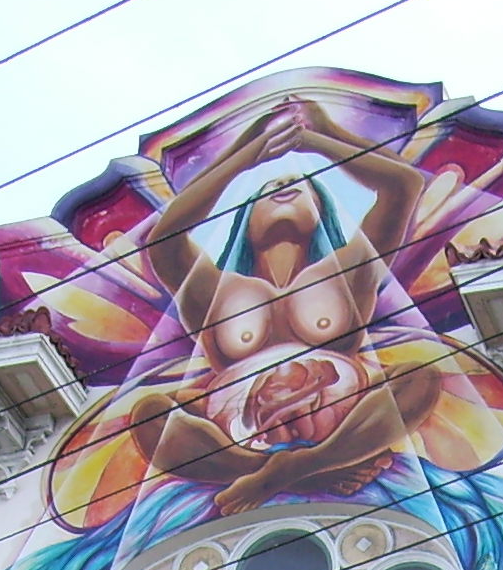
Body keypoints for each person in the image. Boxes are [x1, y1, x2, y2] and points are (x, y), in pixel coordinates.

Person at [125, 96, 438, 513]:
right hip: (235, 444)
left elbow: (403, 185)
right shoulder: (213, 288)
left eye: (300, 187)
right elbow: (163, 239)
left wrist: (322, 137)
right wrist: (244, 157)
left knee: (420, 377)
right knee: (149, 414)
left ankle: (292, 468)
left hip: (347, 420)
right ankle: (302, 468)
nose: (282, 187)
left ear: (321, 210)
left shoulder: (349, 269)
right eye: (267, 189)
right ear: (244, 218)